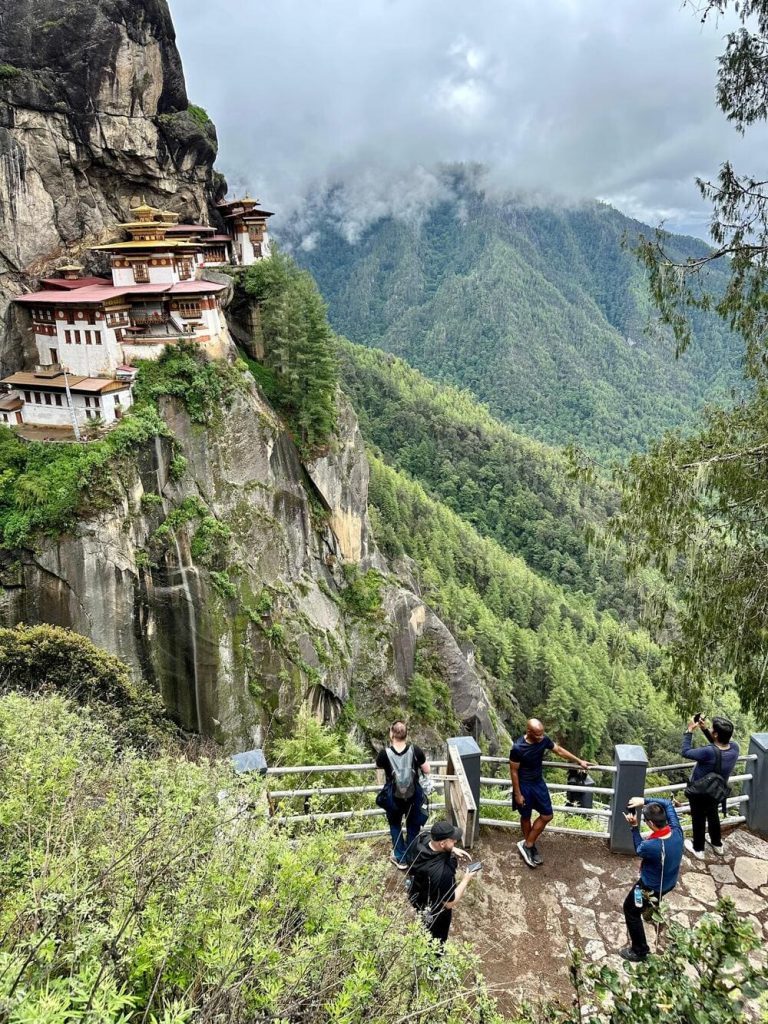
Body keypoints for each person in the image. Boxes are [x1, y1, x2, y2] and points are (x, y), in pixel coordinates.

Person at [509, 718, 590, 867]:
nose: (541, 737)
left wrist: (579, 761)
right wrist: (517, 794)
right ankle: (530, 846)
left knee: (547, 815)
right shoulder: (517, 748)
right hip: (524, 785)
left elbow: (559, 750)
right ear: (529, 732)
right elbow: (514, 771)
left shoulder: (543, 740)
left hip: (538, 783)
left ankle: (527, 845)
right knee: (525, 816)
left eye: (542, 734)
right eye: (537, 735)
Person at [620, 796, 684, 962]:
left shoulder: (652, 846)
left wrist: (634, 827)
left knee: (630, 909)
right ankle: (650, 910)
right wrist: (644, 801)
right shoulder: (677, 831)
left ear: (649, 823)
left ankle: (640, 950)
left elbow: (639, 849)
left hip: (649, 886)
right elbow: (668, 803)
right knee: (650, 903)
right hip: (668, 882)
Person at [681, 714, 739, 860]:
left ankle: (699, 849)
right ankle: (717, 845)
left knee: (698, 818)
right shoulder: (734, 748)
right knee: (713, 816)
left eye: (713, 729)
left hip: (700, 791)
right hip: (717, 791)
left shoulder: (708, 752)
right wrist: (706, 730)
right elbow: (718, 747)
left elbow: (685, 751)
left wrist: (689, 731)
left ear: (716, 734)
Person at [408, 820, 475, 945]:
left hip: (418, 896)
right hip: (435, 911)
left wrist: (452, 849)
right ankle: (434, 963)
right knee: (436, 941)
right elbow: (449, 903)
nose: (455, 841)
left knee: (424, 926)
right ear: (443, 843)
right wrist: (466, 878)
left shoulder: (422, 838)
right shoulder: (443, 873)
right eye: (452, 840)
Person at [376, 721, 430, 868]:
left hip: (393, 798)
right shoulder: (415, 750)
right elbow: (427, 770)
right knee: (413, 826)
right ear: (406, 734)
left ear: (391, 734)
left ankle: (401, 858)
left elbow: (379, 765)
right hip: (413, 797)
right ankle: (411, 857)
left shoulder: (384, 754)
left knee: (395, 825)